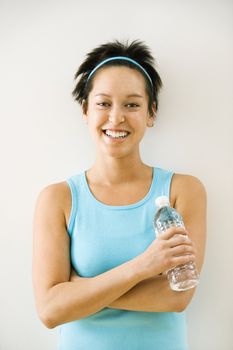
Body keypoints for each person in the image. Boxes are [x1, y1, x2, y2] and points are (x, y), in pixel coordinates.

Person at [32, 39, 207, 350]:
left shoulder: (184, 190)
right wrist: (145, 266)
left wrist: (79, 292)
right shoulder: (57, 200)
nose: (116, 118)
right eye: (103, 103)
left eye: (132, 104)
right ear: (85, 110)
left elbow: (178, 295)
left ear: (151, 113)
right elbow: (49, 311)